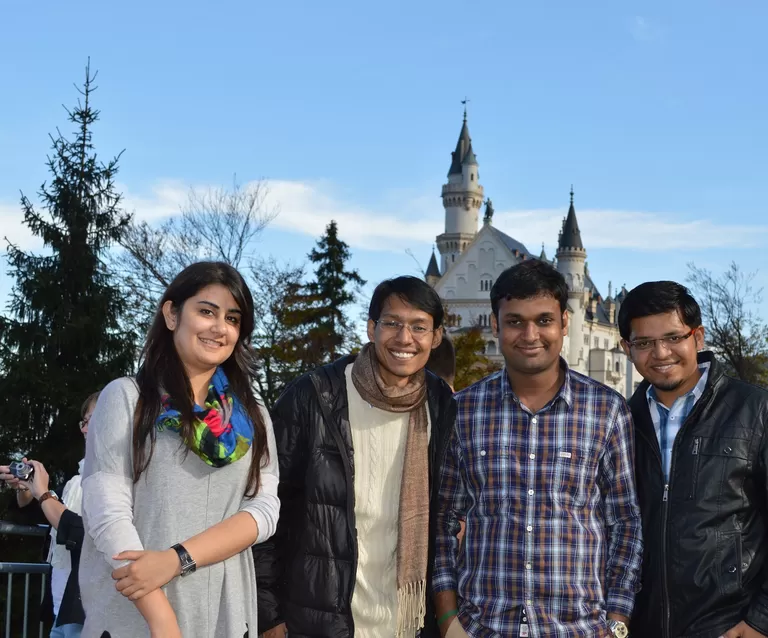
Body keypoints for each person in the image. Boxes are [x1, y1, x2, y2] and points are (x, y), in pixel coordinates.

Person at [433, 260, 642, 637]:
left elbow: (625, 523)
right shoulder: (463, 411)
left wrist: (616, 624)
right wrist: (449, 621)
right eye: (515, 321)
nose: (530, 334)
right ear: (495, 324)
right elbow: (443, 521)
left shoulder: (606, 410)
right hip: (484, 627)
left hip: (579, 629)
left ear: (565, 323)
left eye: (544, 320)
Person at [78, 261, 280, 638]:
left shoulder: (253, 417)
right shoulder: (127, 398)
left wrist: (177, 559)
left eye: (233, 318)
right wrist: (161, 620)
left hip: (226, 613)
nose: (220, 328)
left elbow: (264, 510)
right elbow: (107, 511)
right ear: (171, 314)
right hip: (138, 613)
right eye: (206, 311)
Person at [254, 276, 457, 638]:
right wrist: (268, 615)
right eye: (392, 323)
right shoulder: (315, 396)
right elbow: (265, 506)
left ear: (436, 337)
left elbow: (446, 517)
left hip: (406, 622)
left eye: (419, 327)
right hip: (318, 620)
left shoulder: (441, 404)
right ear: (371, 328)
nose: (404, 338)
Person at [619, 281, 768, 638]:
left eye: (673, 337)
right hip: (641, 626)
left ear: (697, 338)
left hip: (730, 627)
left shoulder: (758, 412)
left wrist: (765, 619)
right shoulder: (619, 421)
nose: (661, 352)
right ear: (627, 348)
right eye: (644, 343)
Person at [0, 391, 100, 638]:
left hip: (89, 612)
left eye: (91, 421)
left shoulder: (113, 480)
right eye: (83, 422)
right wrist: (29, 490)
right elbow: (55, 515)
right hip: (63, 606)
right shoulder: (77, 481)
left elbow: (78, 530)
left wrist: (43, 493)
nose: (84, 430)